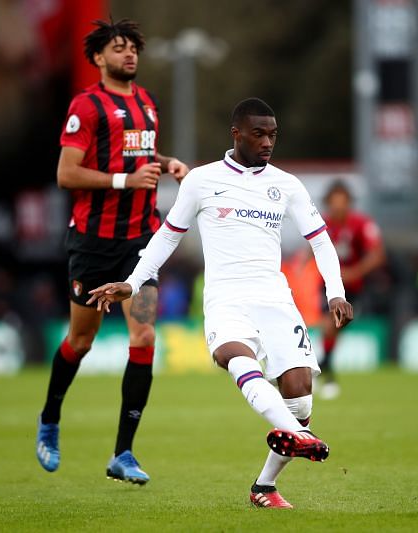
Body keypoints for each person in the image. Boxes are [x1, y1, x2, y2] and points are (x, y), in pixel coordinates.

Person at [88, 98, 353, 508]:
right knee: (235, 356)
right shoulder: (202, 180)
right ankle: (302, 439)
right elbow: (168, 235)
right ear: (237, 134)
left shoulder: (287, 185)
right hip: (226, 297)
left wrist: (335, 289)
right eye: (259, 134)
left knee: (300, 396)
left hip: (274, 298)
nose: (268, 142)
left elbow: (319, 240)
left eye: (273, 135)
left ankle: (265, 484)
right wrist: (133, 281)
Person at [35, 19, 189, 484]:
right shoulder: (86, 105)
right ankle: (49, 419)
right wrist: (125, 180)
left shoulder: (146, 103)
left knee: (143, 339)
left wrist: (168, 163)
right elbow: (67, 173)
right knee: (80, 340)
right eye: (118, 49)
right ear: (98, 58)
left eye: (133, 48)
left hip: (142, 241)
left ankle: (123, 453)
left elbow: (140, 156)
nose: (129, 55)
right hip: (93, 243)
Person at [316, 181, 385, 399]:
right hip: (327, 287)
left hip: (355, 289)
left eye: (342, 203)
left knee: (334, 328)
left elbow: (377, 254)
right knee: (329, 326)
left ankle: (319, 369)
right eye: (333, 203)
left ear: (349, 204)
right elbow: (312, 248)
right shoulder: (321, 223)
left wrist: (355, 272)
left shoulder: (362, 224)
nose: (337, 208)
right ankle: (326, 375)